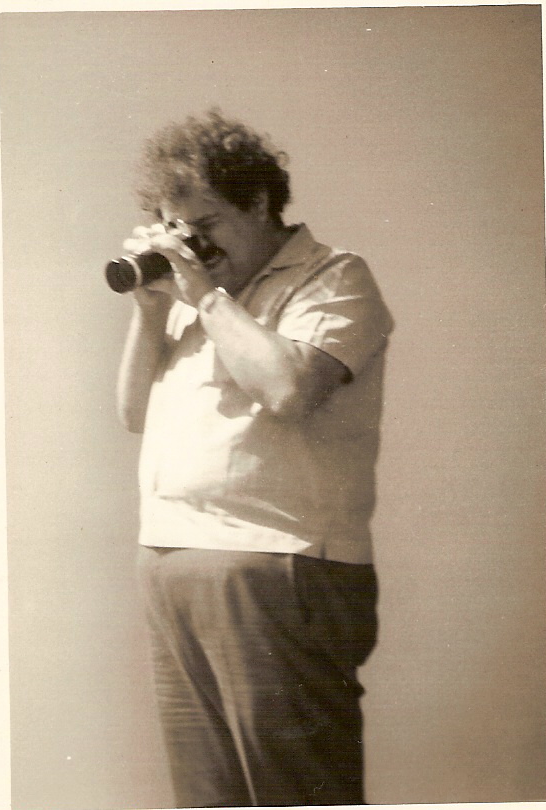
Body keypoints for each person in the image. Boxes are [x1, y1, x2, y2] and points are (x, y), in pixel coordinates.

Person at [116, 109, 394, 807]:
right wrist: (150, 312)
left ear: (260, 202)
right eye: (176, 228)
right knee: (207, 798)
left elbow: (289, 388)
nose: (194, 245)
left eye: (206, 225)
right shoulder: (196, 298)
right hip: (172, 560)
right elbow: (133, 414)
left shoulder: (332, 276)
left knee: (296, 792)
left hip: (274, 563)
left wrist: (203, 297)